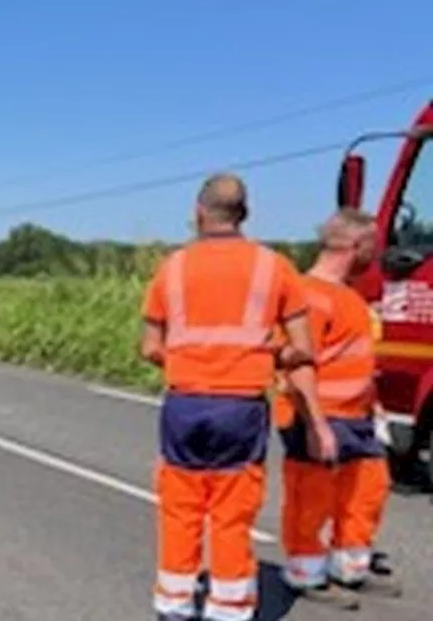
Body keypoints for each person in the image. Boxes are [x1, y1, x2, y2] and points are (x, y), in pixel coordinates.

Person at [139, 173, 336, 621]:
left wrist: (187, 362)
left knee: (180, 505)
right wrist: (266, 353)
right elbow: (303, 348)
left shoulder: (172, 267)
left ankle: (174, 602)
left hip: (184, 403)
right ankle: (227, 607)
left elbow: (150, 346)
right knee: (231, 511)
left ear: (198, 213)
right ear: (244, 215)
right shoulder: (274, 267)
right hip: (242, 405)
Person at [272, 208, 400, 607]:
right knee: (312, 497)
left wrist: (373, 407)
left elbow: (354, 358)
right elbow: (298, 366)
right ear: (355, 245)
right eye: (372, 246)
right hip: (318, 414)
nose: (377, 255)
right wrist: (315, 424)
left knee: (367, 489)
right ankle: (306, 572)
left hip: (355, 416)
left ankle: (350, 566)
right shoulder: (309, 295)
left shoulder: (348, 296)